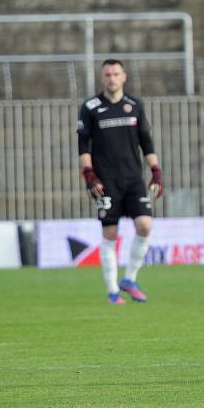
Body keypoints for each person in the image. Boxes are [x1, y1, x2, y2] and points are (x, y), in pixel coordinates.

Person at [77, 59, 164, 305]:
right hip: (105, 181)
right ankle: (113, 291)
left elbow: (145, 141)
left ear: (124, 76)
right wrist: (89, 174)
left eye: (116, 74)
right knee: (110, 233)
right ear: (102, 78)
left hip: (133, 178)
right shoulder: (91, 107)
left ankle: (130, 279)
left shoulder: (134, 105)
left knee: (145, 226)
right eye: (107, 74)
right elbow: (83, 145)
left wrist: (155, 169)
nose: (112, 78)